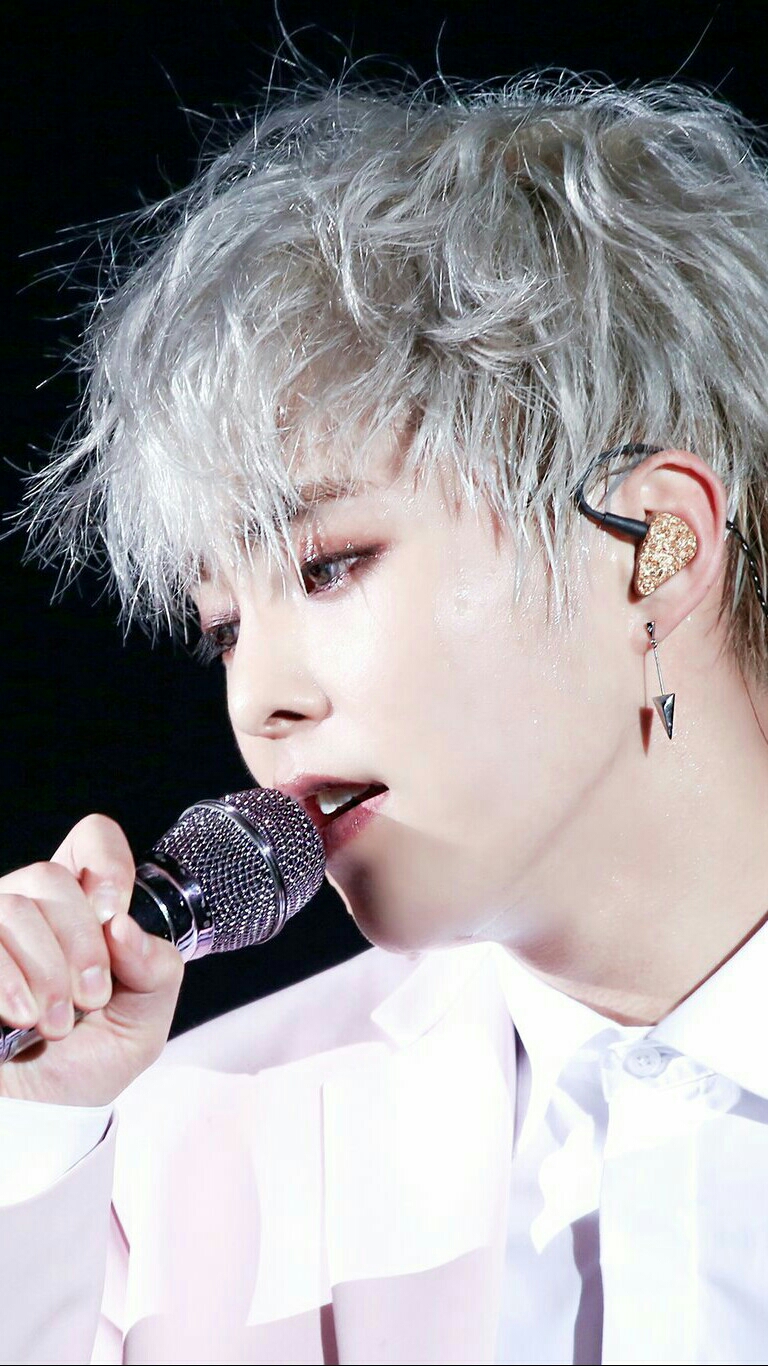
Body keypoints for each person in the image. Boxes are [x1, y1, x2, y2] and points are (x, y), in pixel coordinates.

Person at [1, 72, 768, 1366]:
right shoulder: (179, 1155)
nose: (260, 698)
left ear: (654, 546)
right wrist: (31, 1142)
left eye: (329, 565)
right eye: (223, 627)